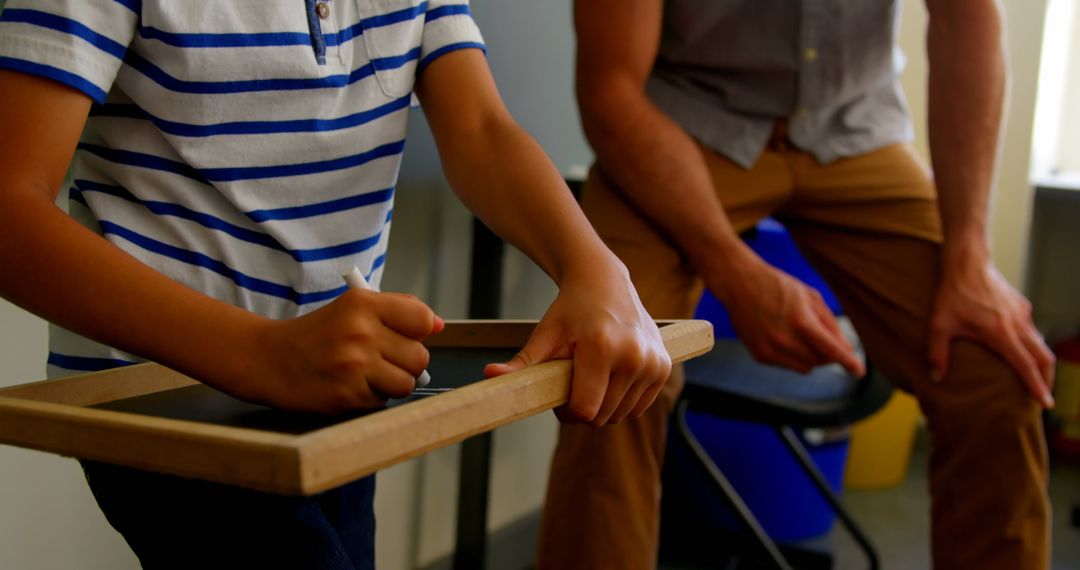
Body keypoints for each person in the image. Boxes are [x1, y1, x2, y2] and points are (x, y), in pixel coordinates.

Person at [0, 1, 672, 568]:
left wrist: (597, 270)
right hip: (170, 403)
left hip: (342, 393)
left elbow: (481, 129)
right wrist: (264, 355)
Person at [537, 1, 1055, 568]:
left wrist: (971, 260)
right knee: (610, 370)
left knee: (997, 365)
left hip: (854, 132)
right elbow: (611, 89)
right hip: (682, 127)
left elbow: (968, 19)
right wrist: (735, 272)